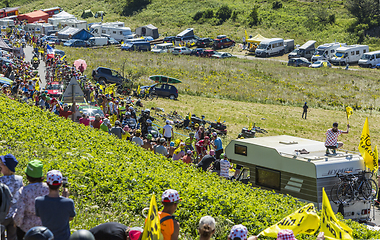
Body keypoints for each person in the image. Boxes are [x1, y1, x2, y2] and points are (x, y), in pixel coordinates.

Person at [35, 170, 76, 240]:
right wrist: (66, 198)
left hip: (47, 237)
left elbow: (40, 215)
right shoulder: (69, 202)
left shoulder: (38, 201)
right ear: (60, 184)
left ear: (47, 183)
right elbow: (70, 218)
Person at [14, 160, 49, 240]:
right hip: (45, 229)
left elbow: (20, 212)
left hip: (27, 229)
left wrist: (16, 224)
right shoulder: (48, 189)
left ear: (27, 175)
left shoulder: (24, 190)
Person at [0, 154, 23, 240]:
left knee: (1, 235)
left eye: (1, 164)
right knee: (13, 236)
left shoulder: (1, 180)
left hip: (2, 214)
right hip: (15, 214)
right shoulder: (19, 179)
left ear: (6, 167)